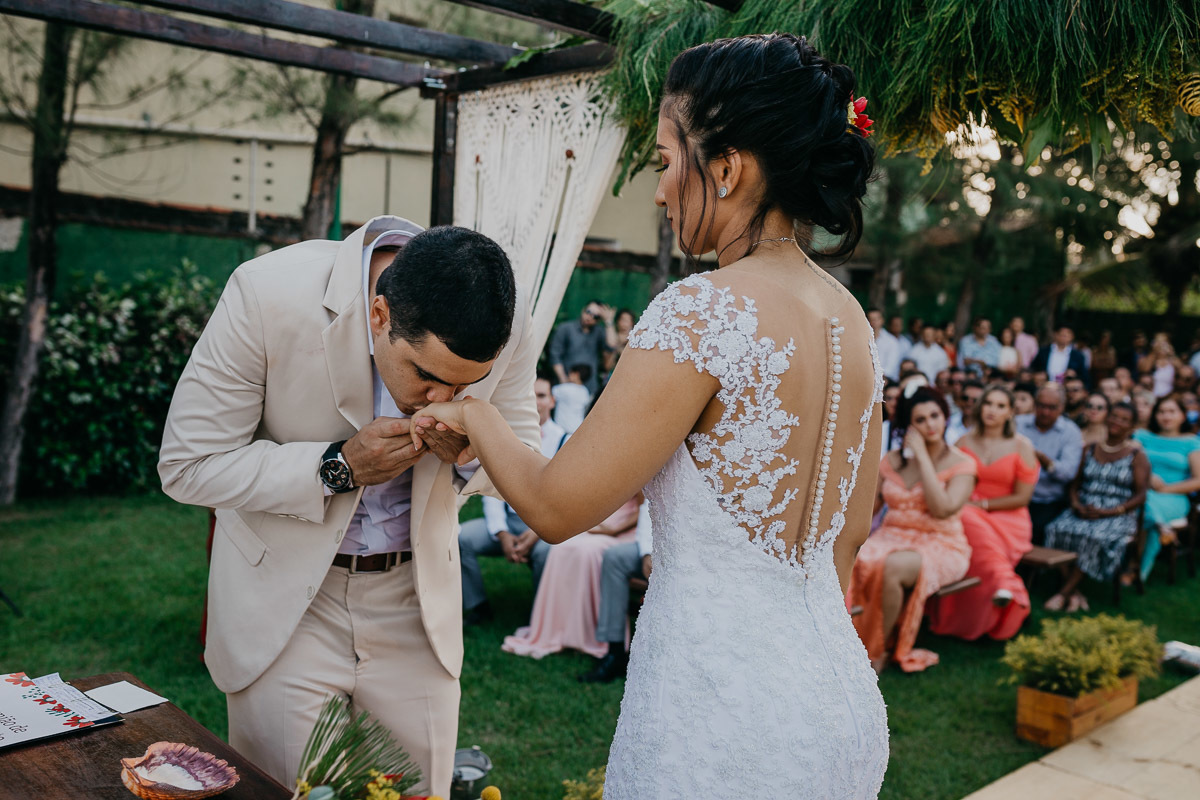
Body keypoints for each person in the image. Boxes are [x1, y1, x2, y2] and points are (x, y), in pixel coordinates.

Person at [409, 34, 888, 797]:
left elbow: (559, 506)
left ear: (727, 167)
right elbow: (849, 536)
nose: (660, 192)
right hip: (832, 699)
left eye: (666, 162)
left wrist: (476, 414)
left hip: (717, 710)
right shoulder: (853, 323)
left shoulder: (702, 311)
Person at [158, 219, 541, 797]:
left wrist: (470, 457)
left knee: (420, 792)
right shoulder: (266, 293)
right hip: (285, 605)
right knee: (284, 791)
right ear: (380, 314)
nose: (446, 399)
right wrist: (336, 467)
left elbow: (525, 457)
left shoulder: (501, 316)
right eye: (428, 376)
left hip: (417, 601)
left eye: (467, 386)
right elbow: (188, 464)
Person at [846, 387, 976, 672]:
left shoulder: (963, 464)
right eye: (921, 420)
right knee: (854, 558)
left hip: (941, 543)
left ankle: (875, 652)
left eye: (935, 416)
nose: (931, 425)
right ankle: (845, 641)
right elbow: (871, 508)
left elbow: (942, 508)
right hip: (891, 535)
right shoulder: (891, 460)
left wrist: (923, 457)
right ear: (908, 425)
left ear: (945, 417)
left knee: (891, 565)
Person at [928, 386, 1038, 641]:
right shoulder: (962, 443)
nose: (993, 410)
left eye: (1001, 406)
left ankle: (1003, 587)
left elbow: (1023, 497)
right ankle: (1005, 585)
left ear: (1010, 412)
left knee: (964, 517)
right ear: (980, 407)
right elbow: (943, 480)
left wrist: (981, 506)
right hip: (966, 512)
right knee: (963, 519)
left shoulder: (1022, 446)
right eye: (989, 403)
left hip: (1008, 517)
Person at [458, 377, 568, 626]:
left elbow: (567, 497)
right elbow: (493, 484)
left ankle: (542, 618)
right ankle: (478, 607)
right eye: (531, 396)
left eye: (541, 395)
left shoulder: (566, 441)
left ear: (552, 401)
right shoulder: (506, 436)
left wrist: (537, 531)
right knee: (461, 537)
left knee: (546, 552)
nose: (536, 402)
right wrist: (502, 532)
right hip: (509, 519)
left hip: (546, 527)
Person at [502, 495, 643, 660]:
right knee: (560, 549)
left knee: (587, 552)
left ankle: (592, 635)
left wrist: (614, 530)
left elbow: (645, 510)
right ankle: (559, 632)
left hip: (626, 531)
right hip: (596, 523)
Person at [1043, 403, 1149, 612]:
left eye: (1124, 419)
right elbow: (1075, 484)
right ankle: (1075, 592)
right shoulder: (1090, 449)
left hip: (1117, 513)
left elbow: (1141, 496)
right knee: (1054, 529)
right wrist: (1076, 504)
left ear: (1132, 426)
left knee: (1095, 537)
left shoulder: (1136, 455)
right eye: (1114, 416)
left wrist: (1110, 511)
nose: (1117, 422)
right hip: (1085, 507)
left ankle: (1064, 593)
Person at [579, 501, 654, 683]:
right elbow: (648, 506)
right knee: (615, 558)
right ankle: (615, 651)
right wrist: (647, 553)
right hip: (660, 543)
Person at [1131, 395, 1200, 583]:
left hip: (1174, 497)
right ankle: (1161, 527)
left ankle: (1134, 567)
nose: (1166, 416)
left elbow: (1198, 480)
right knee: (1145, 505)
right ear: (1155, 415)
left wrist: (1166, 489)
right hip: (1141, 491)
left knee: (1145, 506)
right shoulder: (1141, 436)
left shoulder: (1191, 442)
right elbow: (1128, 461)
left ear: (1183, 416)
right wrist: (1146, 474)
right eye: (1161, 411)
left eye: (1172, 411)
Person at [1016, 383, 1084, 545]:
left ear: (1061, 408)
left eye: (1052, 407)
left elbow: (1068, 473)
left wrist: (1045, 461)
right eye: (1041, 406)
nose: (1045, 412)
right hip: (1015, 494)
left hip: (1048, 499)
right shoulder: (1018, 424)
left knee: (1036, 528)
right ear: (1034, 404)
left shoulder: (1070, 432)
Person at [549, 300, 614, 394]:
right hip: (567, 384)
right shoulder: (565, 328)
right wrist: (563, 379)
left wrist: (608, 322)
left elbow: (611, 346)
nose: (590, 317)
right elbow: (555, 355)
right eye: (588, 312)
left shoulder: (599, 332)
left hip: (590, 387)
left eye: (596, 316)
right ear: (583, 309)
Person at [552, 363, 593, 434]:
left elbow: (549, 393)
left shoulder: (565, 388)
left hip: (562, 429)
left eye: (570, 373)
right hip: (577, 427)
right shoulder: (585, 391)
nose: (568, 376)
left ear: (576, 375)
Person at [1139, 333, 1180, 397]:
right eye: (1158, 342)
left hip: (1169, 395)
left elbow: (1182, 371)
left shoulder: (1172, 361)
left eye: (1164, 342)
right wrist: (1153, 352)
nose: (1161, 346)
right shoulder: (1148, 359)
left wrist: (1171, 354)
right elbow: (1144, 370)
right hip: (1150, 396)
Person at [869, 307, 903, 381]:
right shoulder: (863, 339)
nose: (873, 322)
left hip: (887, 379)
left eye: (876, 319)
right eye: (870, 319)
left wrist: (880, 378)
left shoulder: (891, 341)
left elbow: (891, 366)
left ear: (882, 320)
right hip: (867, 379)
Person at [603, 308, 637, 376]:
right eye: (623, 320)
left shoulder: (635, 340)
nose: (625, 324)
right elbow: (607, 366)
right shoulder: (610, 339)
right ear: (617, 322)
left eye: (628, 320)